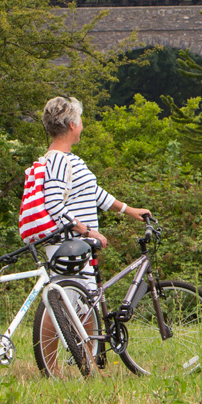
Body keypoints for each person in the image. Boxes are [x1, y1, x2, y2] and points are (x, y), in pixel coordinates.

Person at [34, 96, 151, 283]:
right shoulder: (58, 160)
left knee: (75, 307)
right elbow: (54, 204)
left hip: (77, 246)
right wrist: (87, 231)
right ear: (72, 125)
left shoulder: (68, 159)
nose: (82, 126)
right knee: (68, 304)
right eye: (80, 121)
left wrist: (129, 210)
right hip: (69, 247)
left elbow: (93, 192)